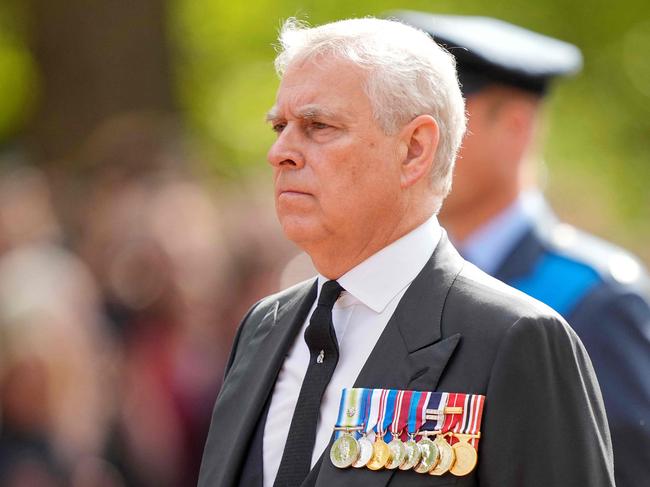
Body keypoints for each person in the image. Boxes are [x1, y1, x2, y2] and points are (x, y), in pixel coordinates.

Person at [198, 17, 614, 487]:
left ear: (415, 149)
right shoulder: (265, 326)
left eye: (318, 126)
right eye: (280, 126)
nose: (281, 152)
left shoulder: (514, 337)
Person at [390, 11, 650, 487]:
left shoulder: (595, 300)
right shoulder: (395, 281)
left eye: (440, 120)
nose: (412, 145)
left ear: (515, 126)